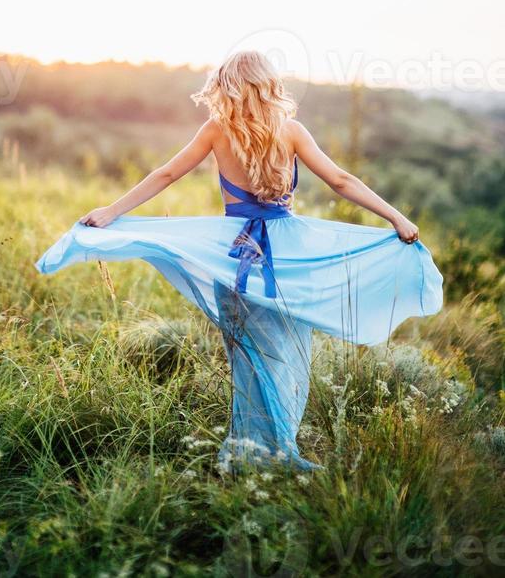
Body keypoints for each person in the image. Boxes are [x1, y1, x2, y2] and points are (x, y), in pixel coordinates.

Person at [35, 51, 443, 471]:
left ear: (227, 87)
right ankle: (276, 448)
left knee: (246, 359)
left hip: (235, 260)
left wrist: (111, 211)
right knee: (285, 354)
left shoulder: (216, 131)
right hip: (286, 261)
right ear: (269, 85)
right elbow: (341, 180)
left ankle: (253, 450)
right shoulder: (293, 131)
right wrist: (395, 216)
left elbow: (166, 174)